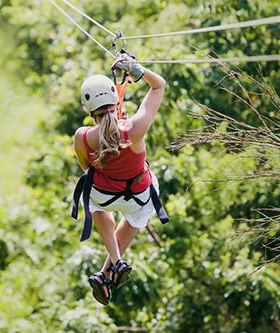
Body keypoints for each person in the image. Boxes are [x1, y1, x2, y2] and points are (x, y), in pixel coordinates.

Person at [72, 53, 168, 305]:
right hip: (138, 195)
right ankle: (110, 269)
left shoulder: (82, 137)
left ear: (90, 112)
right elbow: (159, 85)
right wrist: (138, 70)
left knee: (90, 195)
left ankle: (113, 265)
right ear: (116, 102)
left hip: (104, 194)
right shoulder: (135, 129)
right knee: (136, 214)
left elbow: (86, 167)